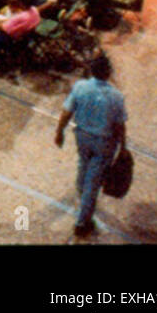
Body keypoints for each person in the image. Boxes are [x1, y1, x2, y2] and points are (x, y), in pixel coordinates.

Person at [54, 55, 127, 238]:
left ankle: (82, 198)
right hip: (103, 142)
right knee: (93, 182)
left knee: (83, 167)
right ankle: (82, 222)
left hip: (82, 137)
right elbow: (119, 126)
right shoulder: (116, 96)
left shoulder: (80, 87)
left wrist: (59, 132)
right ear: (108, 72)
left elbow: (66, 112)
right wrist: (123, 147)